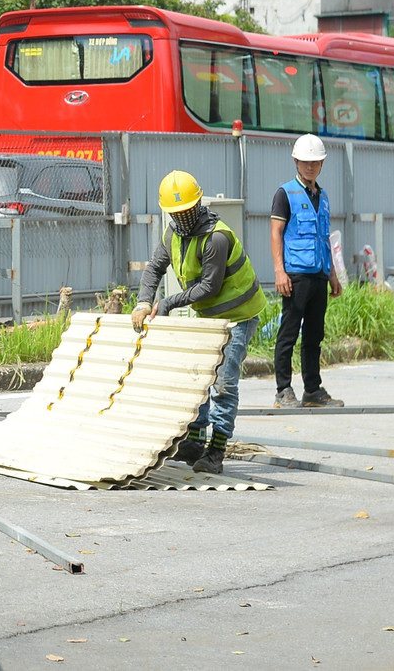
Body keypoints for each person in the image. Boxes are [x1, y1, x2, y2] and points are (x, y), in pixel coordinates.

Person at [131, 170, 266, 474]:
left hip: (238, 315)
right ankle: (194, 443)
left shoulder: (216, 237)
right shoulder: (171, 235)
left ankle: (216, 451)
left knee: (223, 383)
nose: (183, 216)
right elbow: (154, 269)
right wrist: (143, 302)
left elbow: (210, 287)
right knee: (199, 378)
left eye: (187, 209)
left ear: (198, 203)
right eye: (176, 212)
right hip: (210, 316)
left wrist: (166, 303)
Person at [270, 134, 345, 409]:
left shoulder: (322, 196)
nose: (310, 166)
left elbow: (325, 238)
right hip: (295, 275)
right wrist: (280, 271)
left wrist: (333, 275)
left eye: (315, 162)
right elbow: (276, 233)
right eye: (305, 162)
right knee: (288, 332)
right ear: (296, 161)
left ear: (322, 163)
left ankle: (312, 390)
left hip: (319, 275)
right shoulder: (285, 193)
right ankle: (283, 390)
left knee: (314, 335)